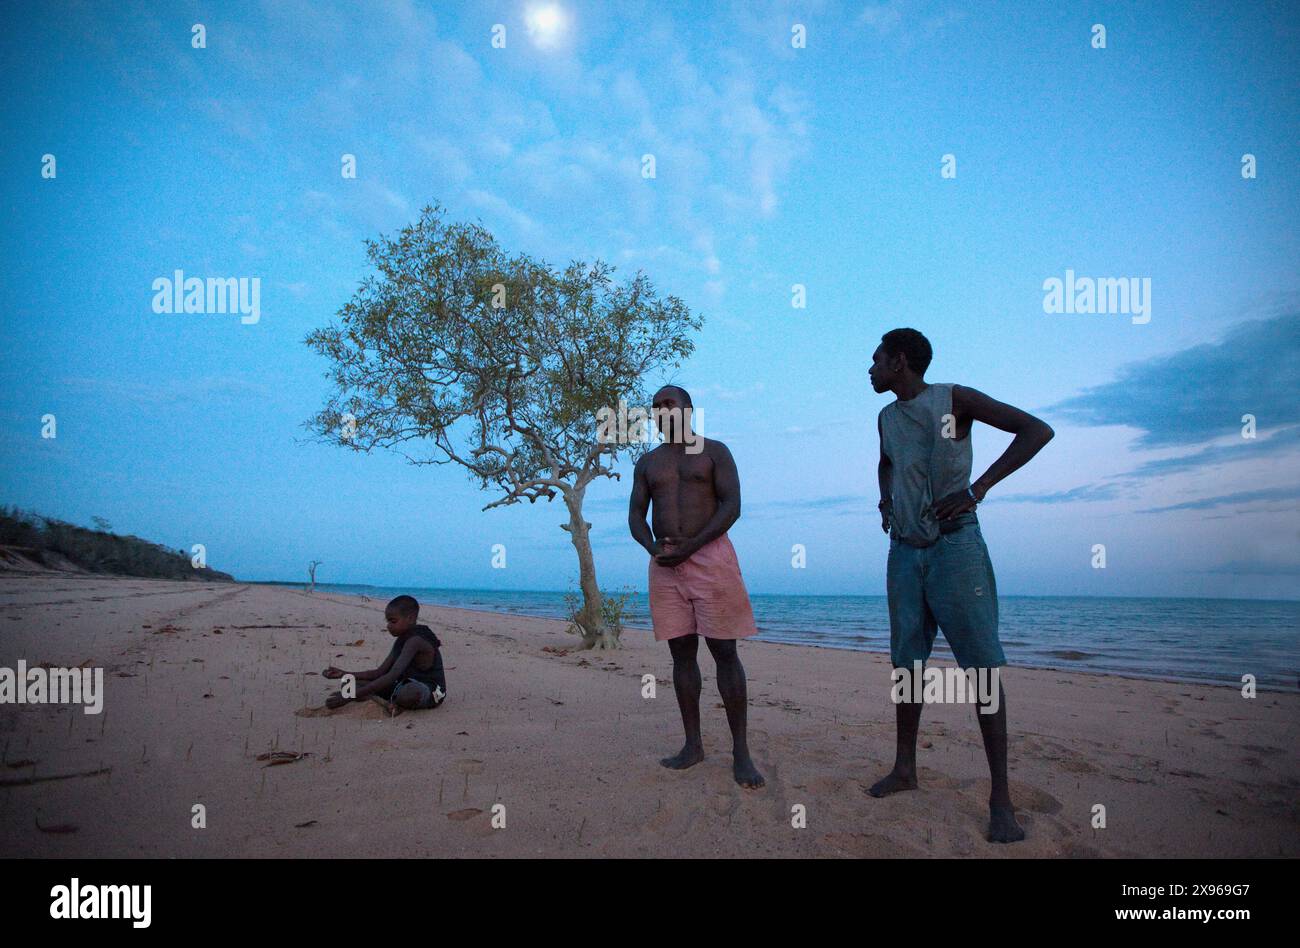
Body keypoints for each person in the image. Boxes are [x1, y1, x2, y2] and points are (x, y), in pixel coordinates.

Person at [866, 328, 1054, 843]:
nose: (871, 367)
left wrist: (979, 489)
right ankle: (905, 769)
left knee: (983, 672)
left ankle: (1002, 800)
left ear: (900, 361)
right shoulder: (885, 417)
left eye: (877, 358)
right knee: (907, 665)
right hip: (904, 552)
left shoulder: (955, 400)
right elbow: (886, 463)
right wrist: (886, 502)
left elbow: (1036, 430)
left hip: (956, 549)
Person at [628, 385, 765, 789]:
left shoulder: (714, 451)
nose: (660, 410)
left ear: (688, 409)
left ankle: (741, 752)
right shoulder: (648, 462)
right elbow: (636, 514)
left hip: (710, 557)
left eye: (668, 403)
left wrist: (694, 545)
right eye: (655, 407)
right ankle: (693, 745)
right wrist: (652, 546)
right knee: (681, 654)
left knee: (724, 651)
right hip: (666, 562)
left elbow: (732, 505)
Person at [323, 595, 446, 711]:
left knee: (410, 692)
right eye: (387, 621)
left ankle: (381, 700)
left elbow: (391, 676)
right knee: (347, 681)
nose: (388, 626)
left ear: (410, 619)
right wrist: (343, 673)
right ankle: (385, 703)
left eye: (393, 621)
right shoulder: (402, 639)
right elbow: (379, 672)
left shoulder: (416, 640)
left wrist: (349, 697)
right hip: (400, 683)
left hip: (429, 690)